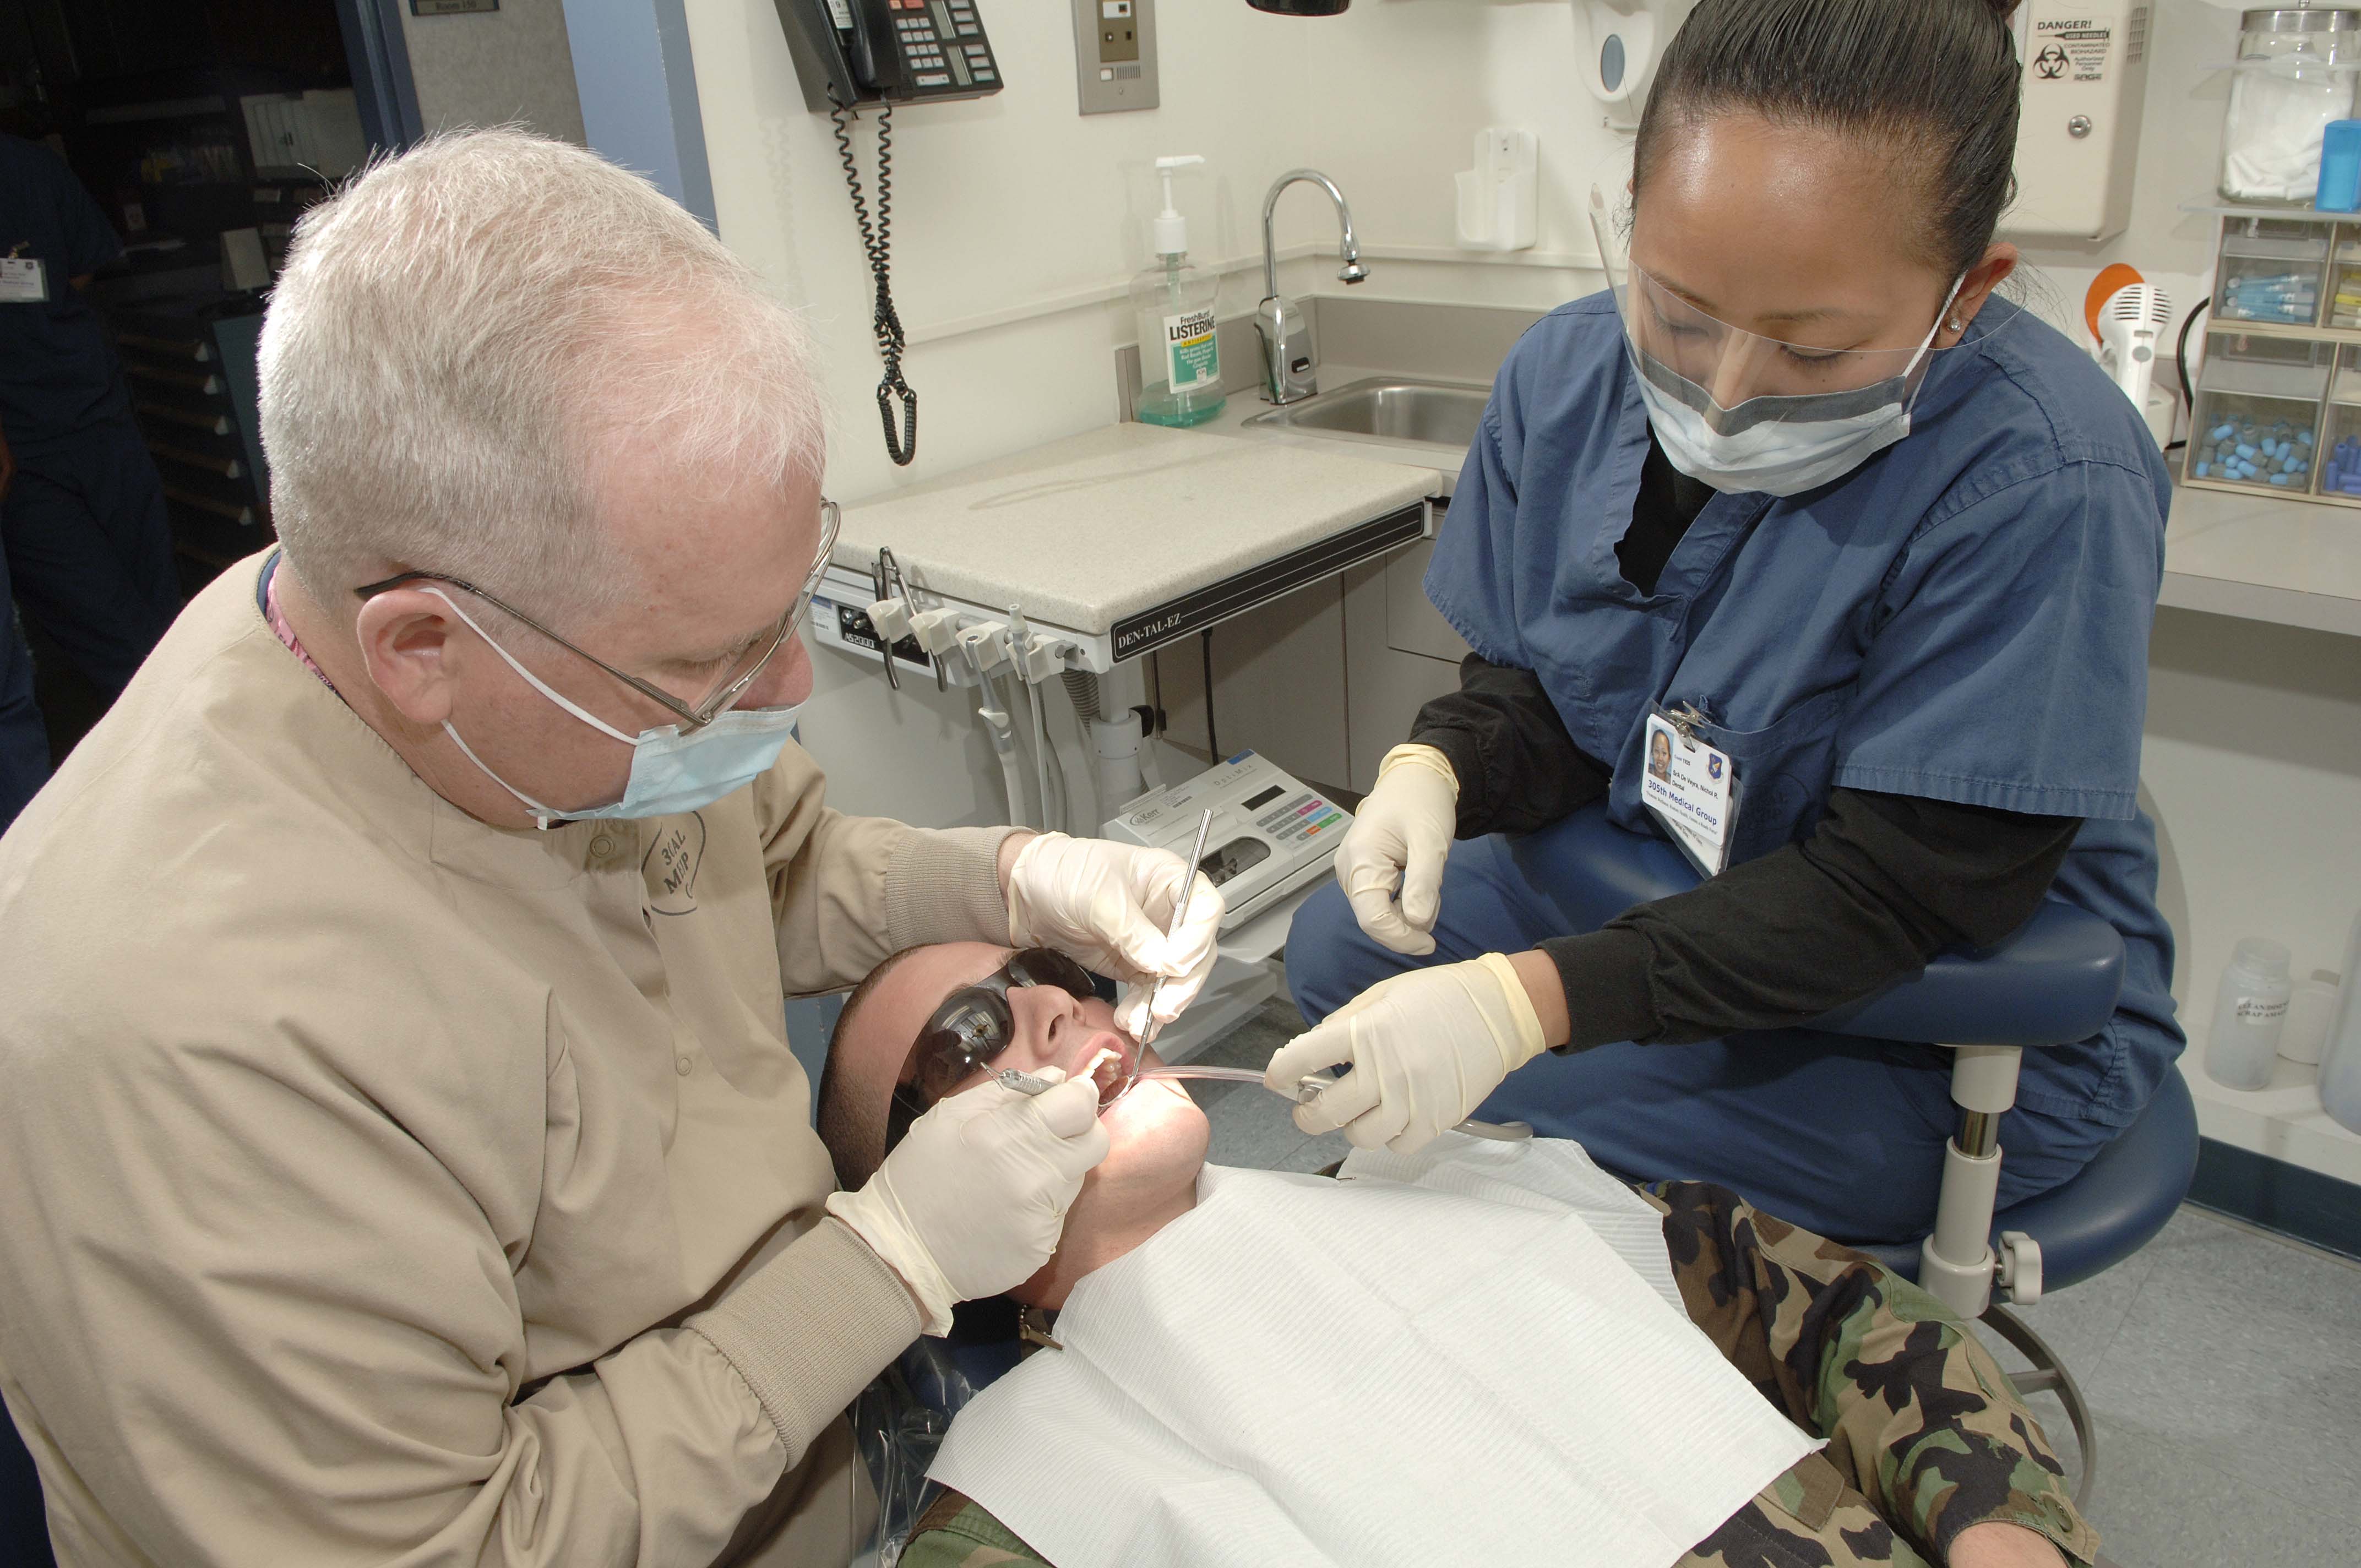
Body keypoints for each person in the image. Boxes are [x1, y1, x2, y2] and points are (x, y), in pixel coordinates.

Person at [0, 130, 1221, 1567]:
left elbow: (767, 866)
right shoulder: (175, 1035)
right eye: (712, 666)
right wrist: (880, 1265)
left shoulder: (507, 619)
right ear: (419, 652)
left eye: (788, 610)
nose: (785, 694)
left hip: (825, 1445)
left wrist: (1011, 877)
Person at [1275, 0, 2182, 1243]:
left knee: (1547, 1096)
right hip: (1662, 880)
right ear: (1630, 219)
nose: (1724, 392)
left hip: (1923, 1005)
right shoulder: (1565, 375)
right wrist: (1438, 760)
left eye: (1812, 353)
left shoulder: (2045, 479)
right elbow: (1562, 677)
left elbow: (1899, 889)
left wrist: (1524, 1005)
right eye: (1679, 312)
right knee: (1339, 949)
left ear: (1964, 295)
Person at [815, 941, 2099, 1568]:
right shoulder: (1014, 1503)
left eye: (1049, 970)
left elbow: (1839, 1317)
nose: (1059, 1005)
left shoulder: (1465, 1182)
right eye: (970, 1035)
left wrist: (2003, 1529)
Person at [0, 132, 182, 831]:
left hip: (97, 424)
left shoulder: (29, 171)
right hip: (26, 459)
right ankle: (178, 797)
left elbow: (81, 268)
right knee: (121, 638)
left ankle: (192, 787)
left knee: (164, 622)